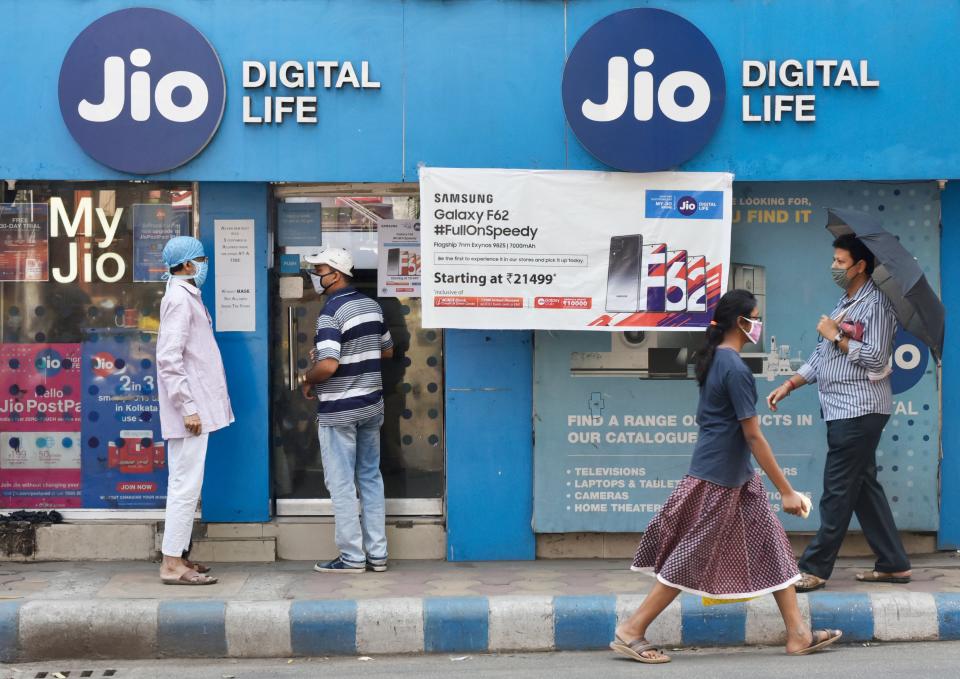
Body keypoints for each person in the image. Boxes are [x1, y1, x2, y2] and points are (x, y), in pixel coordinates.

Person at [613, 289, 842, 664]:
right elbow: (752, 434)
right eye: (755, 316)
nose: (758, 323)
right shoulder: (735, 368)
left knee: (775, 549)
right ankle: (631, 630)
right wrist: (786, 491)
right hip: (719, 478)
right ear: (741, 322)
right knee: (689, 558)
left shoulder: (719, 360)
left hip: (735, 475)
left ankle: (798, 634)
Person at [767, 234, 910, 592]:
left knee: (837, 490)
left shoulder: (875, 305)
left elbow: (876, 359)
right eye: (834, 260)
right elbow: (821, 358)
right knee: (862, 488)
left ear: (861, 266)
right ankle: (893, 563)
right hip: (841, 409)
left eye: (841, 262)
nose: (834, 267)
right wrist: (790, 384)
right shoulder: (844, 303)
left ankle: (815, 568)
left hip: (859, 408)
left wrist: (836, 336)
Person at [299, 247, 394, 574]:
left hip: (340, 409)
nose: (315, 275)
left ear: (335, 274)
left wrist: (306, 377)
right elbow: (387, 351)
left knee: (341, 483)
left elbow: (327, 365)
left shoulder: (331, 312)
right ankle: (377, 555)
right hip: (371, 404)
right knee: (370, 478)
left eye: (319, 269)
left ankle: (352, 558)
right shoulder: (372, 306)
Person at [155, 236, 234, 585]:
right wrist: (187, 407)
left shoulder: (186, 296)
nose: (205, 264)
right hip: (191, 411)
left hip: (196, 408)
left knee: (187, 483)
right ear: (187, 265)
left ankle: (179, 556)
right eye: (201, 259)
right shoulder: (178, 299)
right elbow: (168, 358)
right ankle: (171, 564)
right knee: (185, 485)